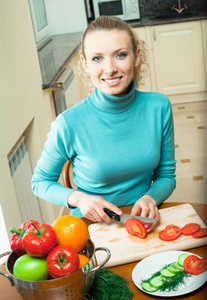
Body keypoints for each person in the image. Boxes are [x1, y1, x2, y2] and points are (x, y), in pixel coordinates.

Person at [32, 16, 176, 233]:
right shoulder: (68, 124)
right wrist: (79, 198)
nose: (110, 69)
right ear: (85, 63)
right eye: (97, 58)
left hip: (144, 223)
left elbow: (166, 175)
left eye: (120, 55)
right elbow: (40, 182)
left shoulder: (159, 107)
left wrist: (150, 197)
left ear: (136, 57)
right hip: (91, 228)